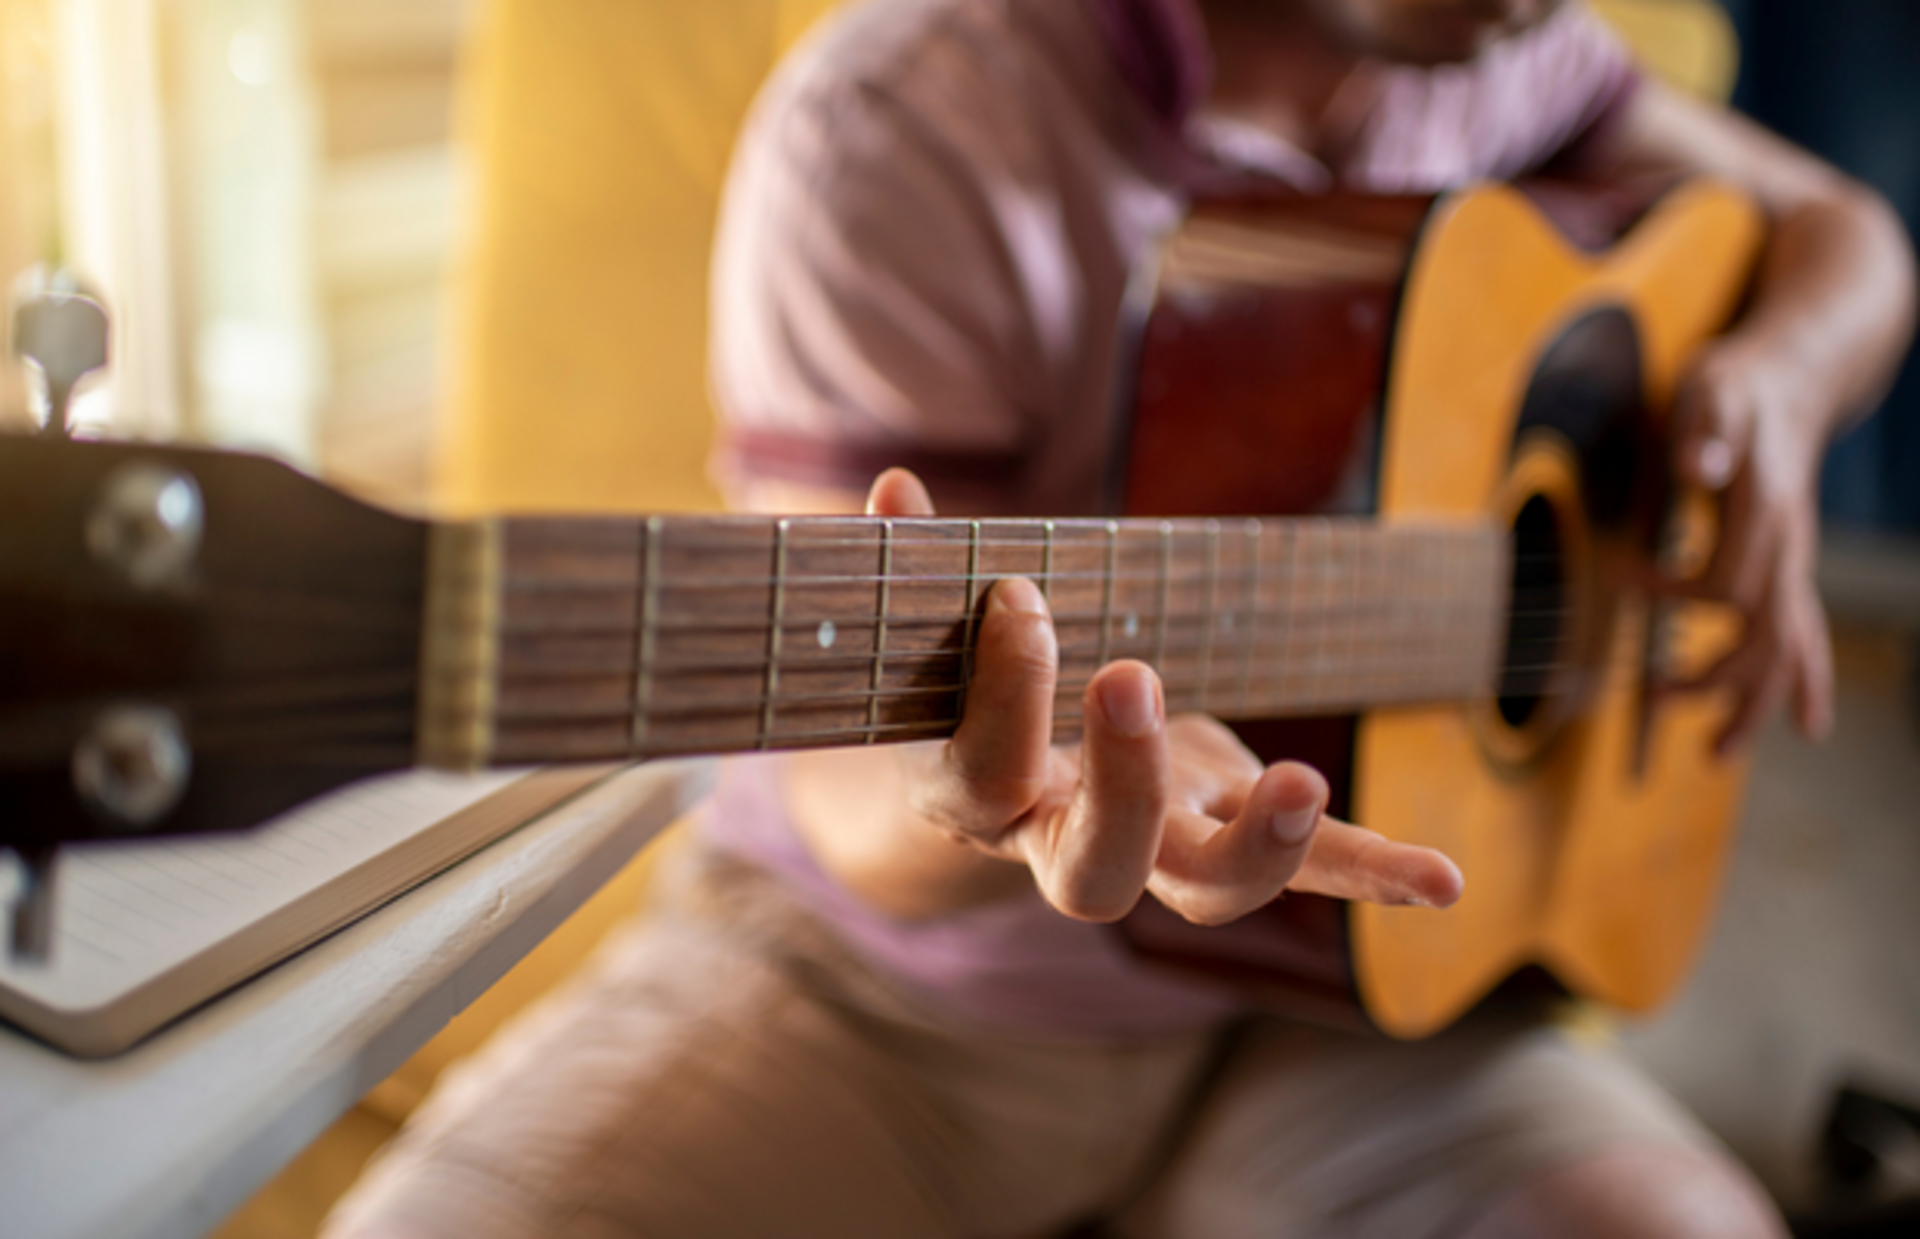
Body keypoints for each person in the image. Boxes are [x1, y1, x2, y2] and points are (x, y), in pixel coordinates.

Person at [325, 1, 1914, 1236]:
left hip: (1381, 992)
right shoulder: (908, 119)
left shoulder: (1518, 53)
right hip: (889, 997)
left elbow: (1852, 236)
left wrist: (1778, 377)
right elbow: (834, 779)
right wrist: (984, 803)